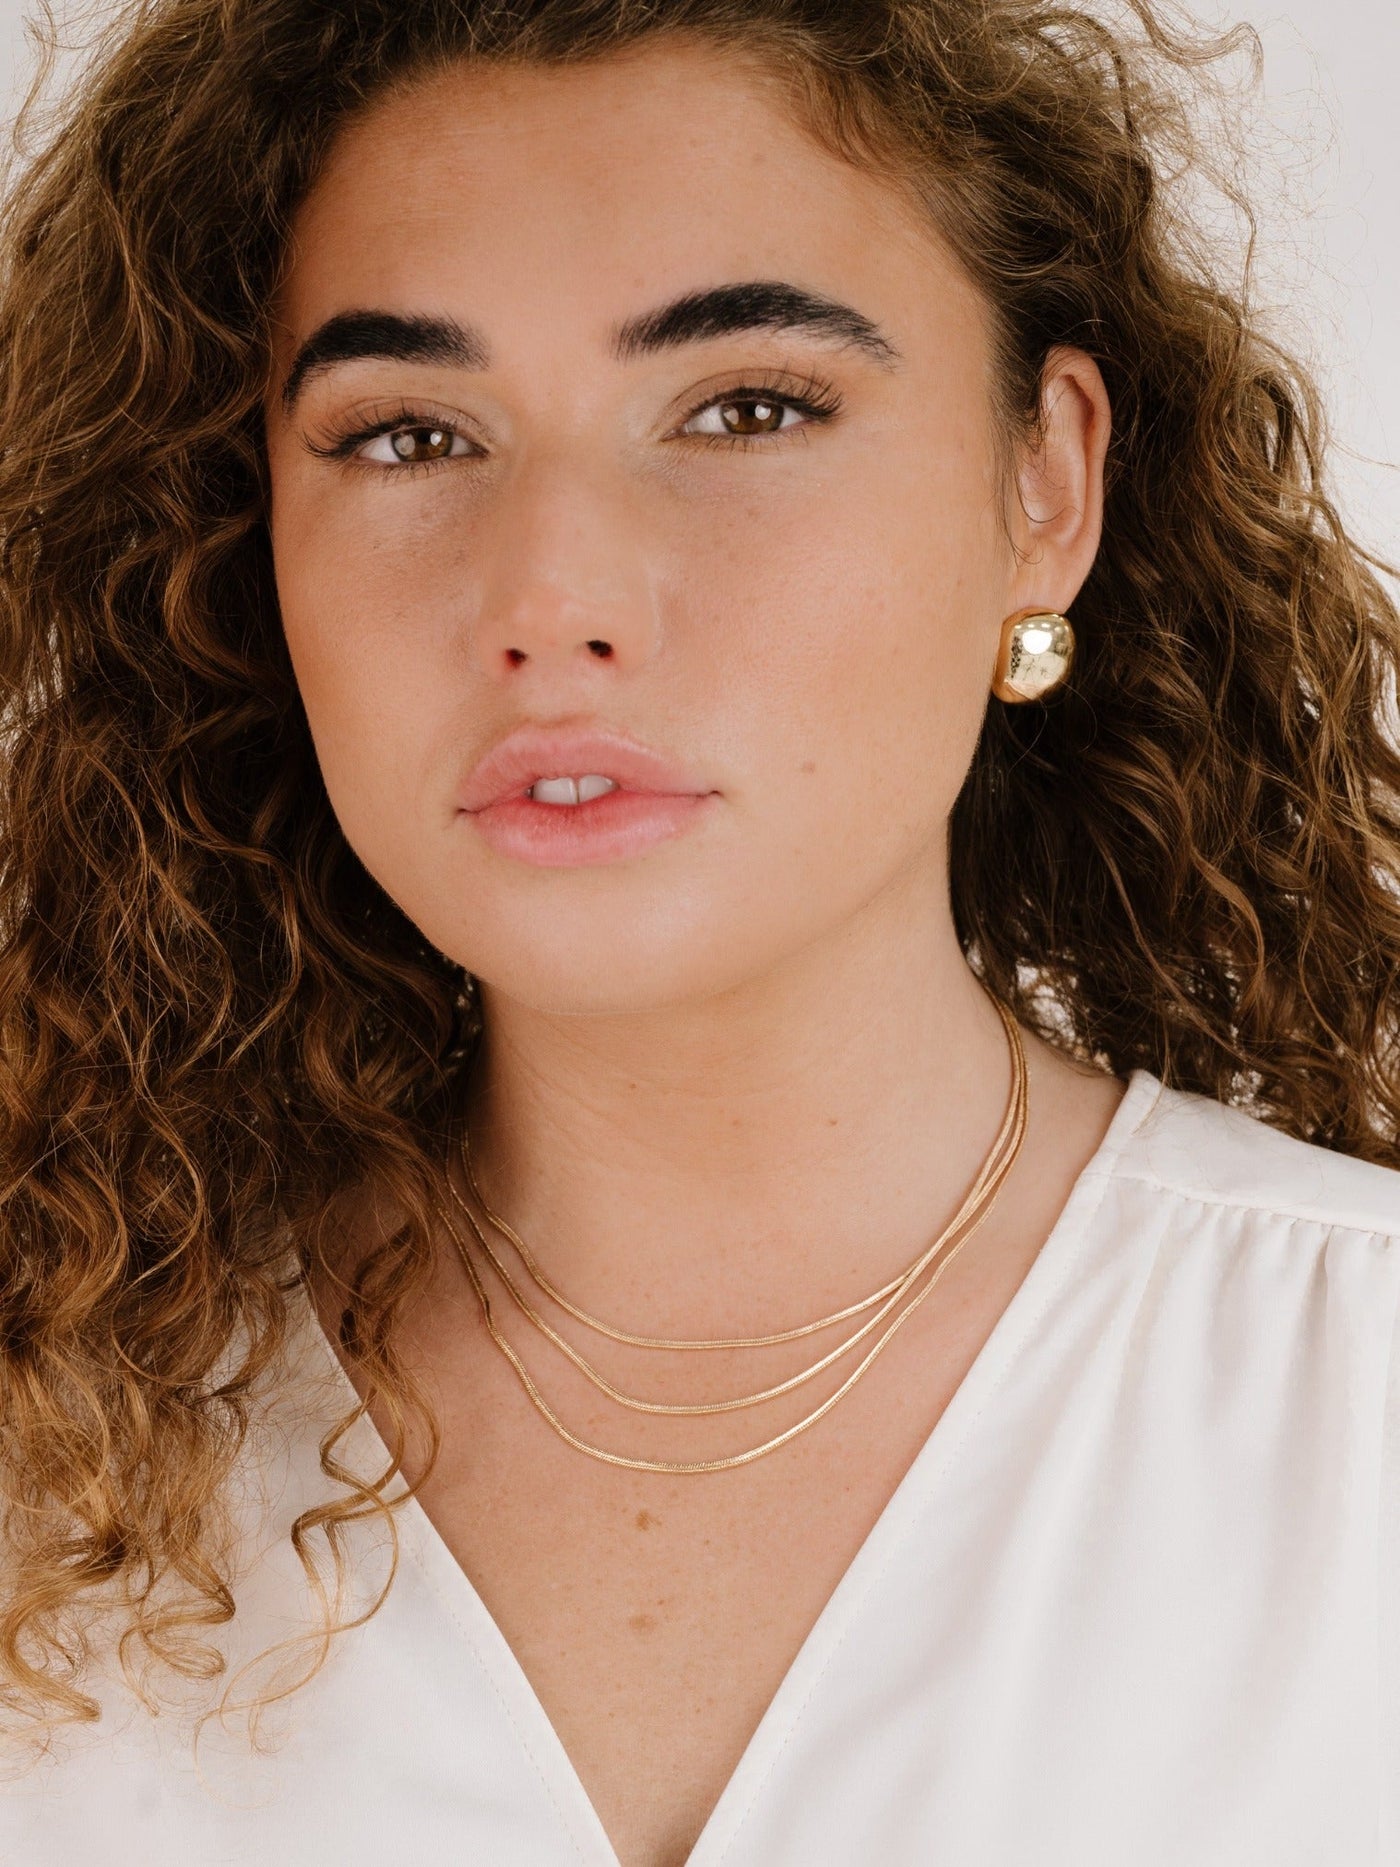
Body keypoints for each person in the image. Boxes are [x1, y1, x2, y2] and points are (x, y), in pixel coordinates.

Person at [0, 0, 1397, 1860]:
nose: (555, 596)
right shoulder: (48, 1439)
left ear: (1043, 487)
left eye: (749, 406)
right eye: (408, 433)